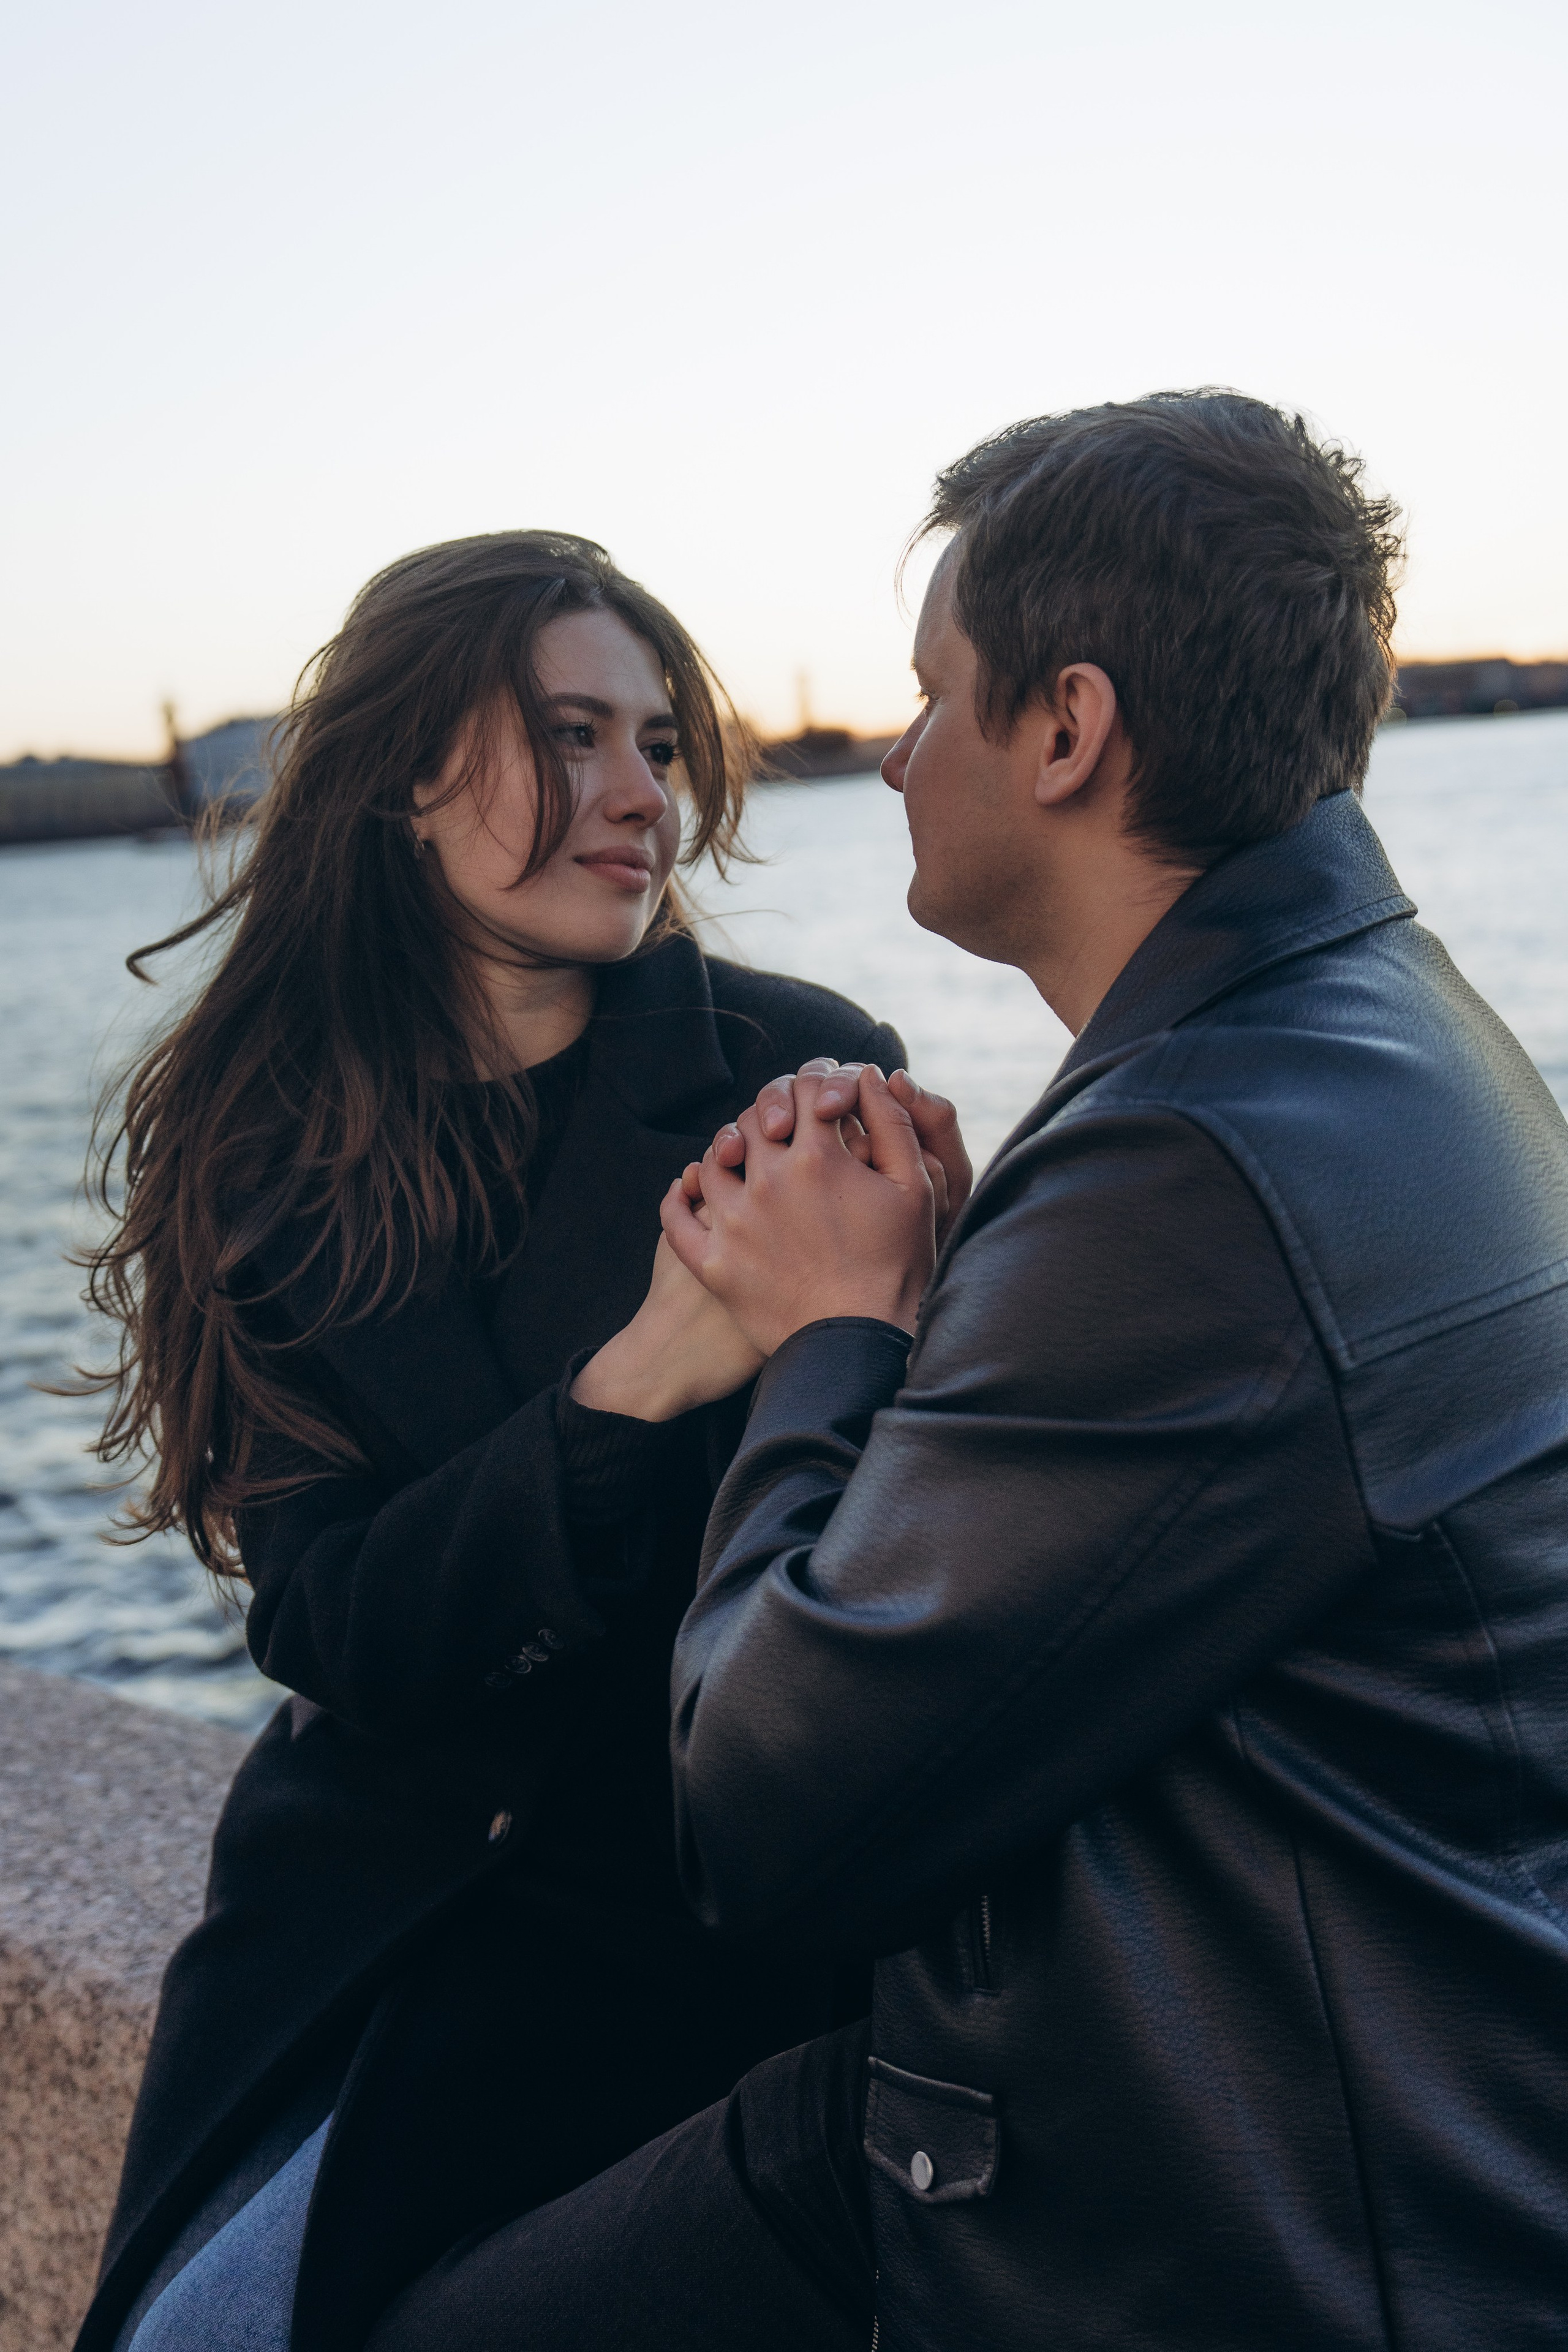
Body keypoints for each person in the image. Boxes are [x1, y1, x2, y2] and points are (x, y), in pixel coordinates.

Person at [370, 394, 1568, 2352]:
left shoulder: (1189, 1166)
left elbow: (764, 1813)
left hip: (1217, 2193)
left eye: (933, 699)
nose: (898, 753)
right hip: (1222, 2072)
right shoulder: (1375, 1028)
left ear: (1069, 729)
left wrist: (833, 1328)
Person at [72, 532, 907, 2352]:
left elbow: (904, 1557)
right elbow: (329, 1620)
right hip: (366, 1919)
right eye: (571, 736)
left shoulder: (796, 1079)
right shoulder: (255, 1139)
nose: (641, 797)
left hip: (703, 1932)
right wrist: (641, 1380)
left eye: (658, 746)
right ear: (406, 776)